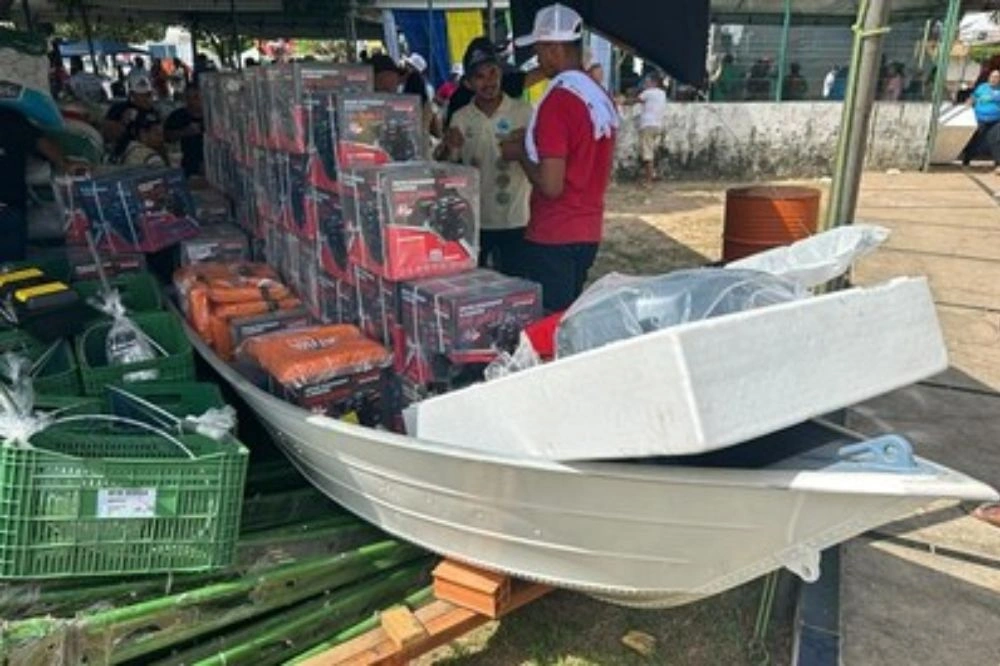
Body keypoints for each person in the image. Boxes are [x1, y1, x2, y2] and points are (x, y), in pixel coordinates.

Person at [499, 3, 618, 312]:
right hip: (588, 229)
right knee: (569, 317)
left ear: (554, 48)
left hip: (554, 233)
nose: (538, 59)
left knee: (549, 326)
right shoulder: (597, 97)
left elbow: (552, 186)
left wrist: (521, 155)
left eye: (539, 49)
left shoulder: (558, 101)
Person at [435, 37, 533, 275]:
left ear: (500, 73)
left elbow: (541, 160)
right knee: (476, 286)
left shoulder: (524, 112)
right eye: (480, 76)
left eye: (492, 73)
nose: (489, 82)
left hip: (517, 219)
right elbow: (448, 168)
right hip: (476, 220)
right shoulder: (460, 117)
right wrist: (448, 147)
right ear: (468, 83)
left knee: (517, 285)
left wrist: (525, 149)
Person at [0, 107, 69, 261]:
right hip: (10, 208)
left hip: (10, 209)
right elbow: (43, 144)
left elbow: (42, 144)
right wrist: (65, 165)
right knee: (12, 272)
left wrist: (65, 165)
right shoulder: (9, 118)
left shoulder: (8, 118)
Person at [104, 76, 162, 162]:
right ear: (132, 95)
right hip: (126, 149)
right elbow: (108, 134)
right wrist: (123, 122)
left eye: (148, 94)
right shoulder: (119, 108)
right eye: (142, 95)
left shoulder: (153, 112)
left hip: (149, 150)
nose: (147, 99)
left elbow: (159, 135)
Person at [962, 69, 1000, 172]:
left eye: (997, 77)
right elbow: (973, 97)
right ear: (989, 77)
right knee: (975, 139)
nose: (994, 79)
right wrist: (967, 104)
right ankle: (966, 160)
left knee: (996, 140)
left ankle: (998, 164)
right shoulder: (982, 87)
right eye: (992, 77)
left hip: (996, 120)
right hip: (980, 118)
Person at [634, 72, 667, 187]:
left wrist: (622, 100)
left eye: (647, 82)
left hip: (647, 125)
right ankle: (653, 174)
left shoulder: (648, 93)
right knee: (651, 151)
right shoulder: (662, 93)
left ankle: (649, 181)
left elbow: (635, 100)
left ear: (653, 83)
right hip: (658, 125)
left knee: (647, 154)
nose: (645, 84)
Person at [164, 85, 204, 177]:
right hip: (185, 166)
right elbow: (166, 136)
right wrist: (184, 132)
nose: (192, 101)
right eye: (188, 98)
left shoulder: (211, 115)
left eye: (196, 97)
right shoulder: (177, 116)